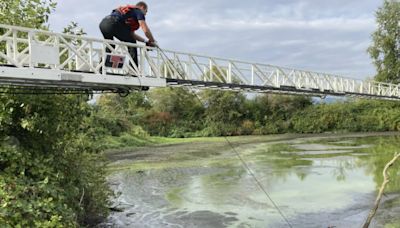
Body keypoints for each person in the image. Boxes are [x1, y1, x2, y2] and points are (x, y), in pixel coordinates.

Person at [99, 1, 157, 68]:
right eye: (146, 11)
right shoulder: (138, 11)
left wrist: (146, 41)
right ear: (142, 7)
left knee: (110, 45)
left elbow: (132, 34)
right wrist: (152, 41)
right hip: (114, 23)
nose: (145, 14)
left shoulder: (128, 13)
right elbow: (145, 30)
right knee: (132, 43)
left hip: (103, 23)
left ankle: (100, 68)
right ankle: (134, 69)